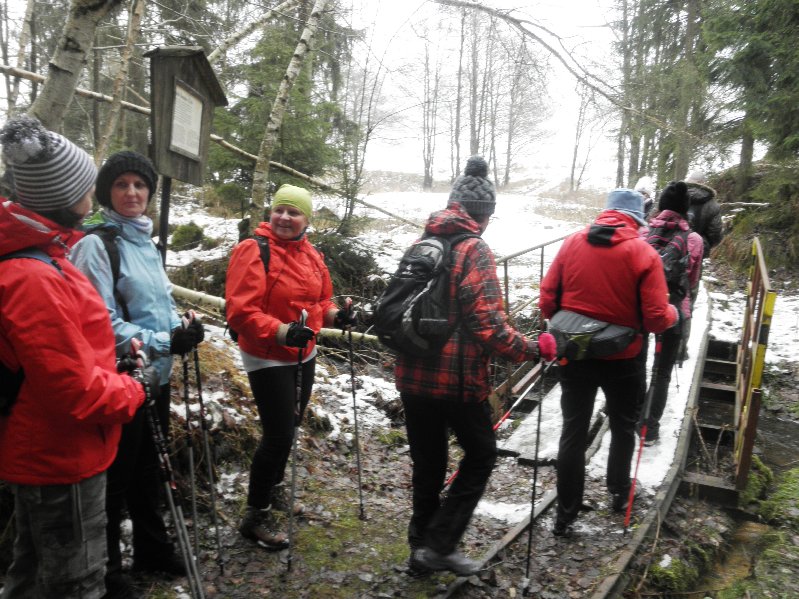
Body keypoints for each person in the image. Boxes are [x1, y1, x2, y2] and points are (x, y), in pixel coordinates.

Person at [0, 115, 150, 598]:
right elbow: (73, 390)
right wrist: (133, 389)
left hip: (50, 447)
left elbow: (65, 356)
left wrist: (114, 363)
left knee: (30, 572)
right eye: (88, 185)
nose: (94, 193)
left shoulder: (48, 255)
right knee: (74, 582)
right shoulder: (35, 276)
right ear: (67, 197)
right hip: (59, 455)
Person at [394, 156, 556, 577]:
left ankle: (420, 549)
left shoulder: (421, 243)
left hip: (412, 375)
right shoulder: (475, 249)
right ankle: (440, 544)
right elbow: (489, 328)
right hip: (456, 381)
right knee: (482, 454)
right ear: (484, 215)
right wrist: (533, 349)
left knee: (428, 463)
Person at [70, 151, 204, 598]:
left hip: (154, 378)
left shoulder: (146, 242)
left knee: (150, 468)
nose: (132, 192)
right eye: (121, 184)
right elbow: (99, 323)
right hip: (119, 378)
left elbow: (157, 304)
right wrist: (165, 340)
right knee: (116, 474)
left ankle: (152, 549)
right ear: (106, 192)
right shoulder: (96, 245)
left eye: (140, 185)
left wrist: (183, 326)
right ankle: (106, 570)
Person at [539, 188, 678, 538]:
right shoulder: (644, 253)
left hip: (575, 354)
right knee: (622, 425)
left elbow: (547, 299)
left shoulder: (572, 243)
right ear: (637, 219)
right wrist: (673, 314)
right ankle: (618, 491)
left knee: (573, 430)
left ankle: (565, 514)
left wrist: (568, 328)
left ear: (606, 213)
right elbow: (655, 318)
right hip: (623, 358)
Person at [225, 183, 354, 550]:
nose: (284, 217)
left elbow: (321, 302)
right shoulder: (253, 250)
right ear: (271, 213)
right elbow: (240, 311)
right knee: (278, 433)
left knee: (291, 424)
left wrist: (338, 316)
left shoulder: (312, 254)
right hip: (266, 353)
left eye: (293, 212)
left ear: (306, 220)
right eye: (279, 209)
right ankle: (255, 516)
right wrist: (282, 331)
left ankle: (276, 490)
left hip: (303, 352)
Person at [639, 182, 704, 445]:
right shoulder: (693, 239)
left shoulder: (644, 232)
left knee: (636, 363)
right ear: (685, 209)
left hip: (641, 309)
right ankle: (649, 429)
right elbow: (693, 278)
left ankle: (627, 413)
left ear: (661, 205)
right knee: (662, 371)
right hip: (673, 310)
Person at [685, 170, 723, 258]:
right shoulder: (713, 205)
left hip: (673, 248)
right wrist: (703, 245)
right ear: (703, 183)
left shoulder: (676, 195)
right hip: (696, 252)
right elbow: (715, 234)